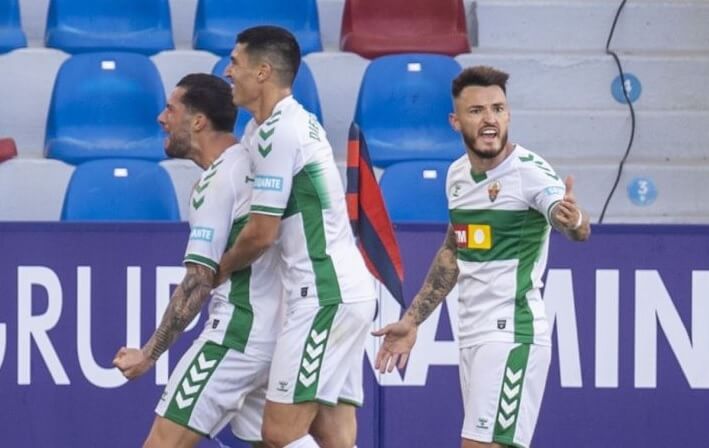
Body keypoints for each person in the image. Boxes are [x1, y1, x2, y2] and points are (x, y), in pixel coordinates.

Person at [373, 65, 591, 448]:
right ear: (456, 121)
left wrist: (571, 220)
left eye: (498, 108)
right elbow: (452, 253)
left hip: (512, 335)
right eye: (477, 111)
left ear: (508, 115)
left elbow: (569, 221)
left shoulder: (530, 173)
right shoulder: (457, 176)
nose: (489, 119)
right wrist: (412, 320)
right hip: (472, 335)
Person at [219, 25, 376, 448]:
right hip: (343, 290)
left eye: (235, 62)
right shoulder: (267, 129)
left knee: (279, 433)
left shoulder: (278, 132)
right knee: (333, 434)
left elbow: (262, 233)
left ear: (263, 72)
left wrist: (218, 271)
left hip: (324, 293)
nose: (228, 72)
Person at [112, 73, 283, 448]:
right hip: (277, 339)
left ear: (199, 121)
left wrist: (149, 354)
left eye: (171, 109)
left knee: (162, 443)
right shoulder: (254, 163)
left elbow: (198, 281)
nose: (161, 118)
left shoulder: (217, 181)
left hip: (236, 335)